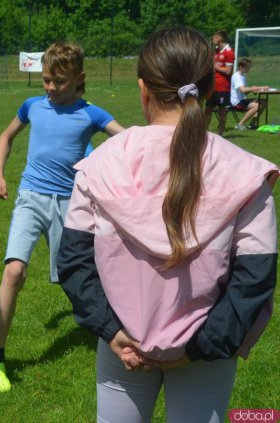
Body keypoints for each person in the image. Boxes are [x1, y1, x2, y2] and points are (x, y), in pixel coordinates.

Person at [58, 27, 278, 423]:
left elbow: (74, 263)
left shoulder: (98, 166)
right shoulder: (248, 174)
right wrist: (197, 347)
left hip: (121, 346)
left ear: (143, 90)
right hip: (206, 353)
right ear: (210, 89)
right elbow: (254, 281)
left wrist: (113, 331)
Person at [0, 41, 125, 392]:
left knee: (75, 279)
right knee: (14, 270)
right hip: (30, 198)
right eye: (46, 79)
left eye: (58, 81)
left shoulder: (91, 114)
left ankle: (115, 333)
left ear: (79, 79)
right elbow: (5, 136)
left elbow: (125, 140)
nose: (50, 87)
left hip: (70, 206)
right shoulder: (32, 106)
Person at [204, 30, 234, 136]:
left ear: (220, 38)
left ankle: (220, 135)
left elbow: (228, 71)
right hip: (213, 85)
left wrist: (215, 67)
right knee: (207, 109)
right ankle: (203, 134)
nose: (213, 39)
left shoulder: (229, 52)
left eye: (214, 37)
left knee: (222, 112)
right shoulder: (216, 51)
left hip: (222, 87)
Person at [230, 58, 269, 130]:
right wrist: (257, 88)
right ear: (241, 67)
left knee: (264, 101)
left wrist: (253, 89)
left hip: (242, 100)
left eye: (249, 68)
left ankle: (252, 124)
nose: (248, 70)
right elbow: (243, 89)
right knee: (258, 105)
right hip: (236, 102)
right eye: (247, 68)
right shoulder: (236, 77)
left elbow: (245, 91)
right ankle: (239, 125)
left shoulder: (243, 76)